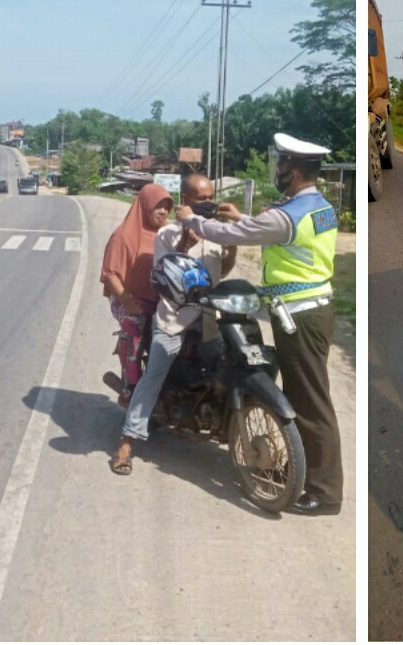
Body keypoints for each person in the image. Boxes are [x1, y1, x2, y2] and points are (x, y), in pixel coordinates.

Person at [176, 133, 341, 516]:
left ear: (294, 169)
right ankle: (306, 473)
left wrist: (193, 220)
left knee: (312, 403)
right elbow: (275, 231)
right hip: (311, 310)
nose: (278, 170)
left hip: (300, 316)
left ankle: (325, 492)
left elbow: (238, 235)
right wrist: (244, 217)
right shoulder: (316, 206)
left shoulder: (289, 214)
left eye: (282, 165)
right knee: (303, 396)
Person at [109, 174, 236, 475]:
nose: (208, 204)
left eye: (210, 198)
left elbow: (223, 271)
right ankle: (127, 442)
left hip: (208, 317)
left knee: (232, 362)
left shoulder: (216, 232)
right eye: (200, 199)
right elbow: (166, 277)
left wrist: (230, 248)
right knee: (153, 376)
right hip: (174, 318)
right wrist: (183, 242)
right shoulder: (167, 234)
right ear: (186, 202)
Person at [101, 183, 174, 406]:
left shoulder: (168, 234)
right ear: (144, 206)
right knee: (136, 326)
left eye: (166, 207)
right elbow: (110, 274)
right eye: (157, 206)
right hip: (126, 296)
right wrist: (128, 301)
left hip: (159, 297)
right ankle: (131, 386)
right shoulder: (123, 235)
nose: (162, 211)